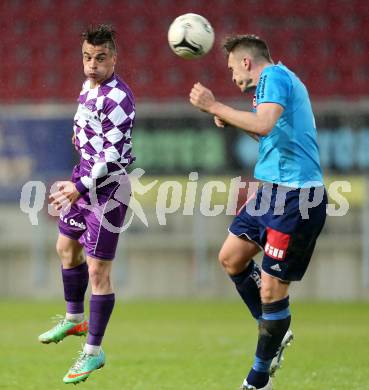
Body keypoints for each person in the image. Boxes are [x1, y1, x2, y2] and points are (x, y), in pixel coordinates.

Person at [189, 34, 327, 390]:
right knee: (231, 258)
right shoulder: (273, 84)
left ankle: (258, 379)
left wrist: (215, 106)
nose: (232, 73)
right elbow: (270, 135)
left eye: (232, 66)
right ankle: (275, 329)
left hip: (297, 197)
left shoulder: (274, 78)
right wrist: (232, 119)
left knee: (270, 292)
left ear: (246, 62)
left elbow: (263, 125)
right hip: (271, 192)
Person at [38, 24, 135, 384]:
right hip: (83, 179)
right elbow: (87, 129)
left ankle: (93, 353)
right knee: (65, 247)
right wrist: (79, 135)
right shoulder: (87, 88)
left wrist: (79, 186)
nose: (92, 64)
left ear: (114, 58)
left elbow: (112, 157)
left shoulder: (120, 99)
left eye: (100, 58)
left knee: (98, 272)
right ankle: (74, 318)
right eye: (87, 57)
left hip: (108, 190)